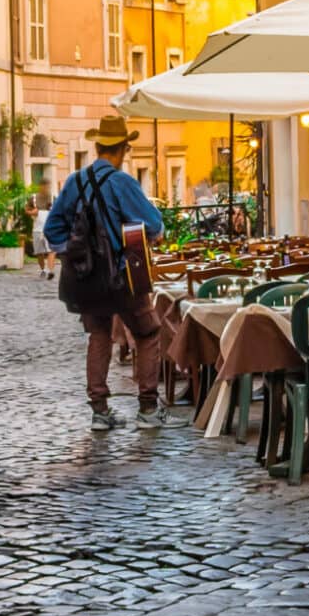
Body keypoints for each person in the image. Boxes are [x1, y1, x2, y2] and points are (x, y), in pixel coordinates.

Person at [44, 113, 176, 433]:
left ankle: (100, 412)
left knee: (98, 336)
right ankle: (147, 407)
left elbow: (52, 229)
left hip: (86, 279)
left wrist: (76, 256)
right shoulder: (122, 182)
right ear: (121, 150)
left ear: (98, 146)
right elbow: (155, 225)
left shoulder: (75, 181)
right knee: (147, 332)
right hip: (123, 276)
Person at [26, 192, 56, 280]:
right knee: (39, 253)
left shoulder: (51, 197)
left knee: (51, 251)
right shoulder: (34, 198)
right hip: (37, 231)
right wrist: (32, 212)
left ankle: (50, 270)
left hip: (49, 230)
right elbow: (27, 210)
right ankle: (43, 270)